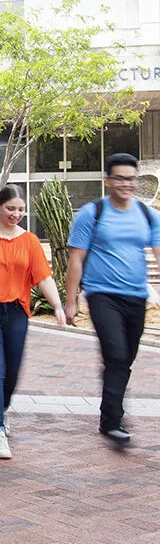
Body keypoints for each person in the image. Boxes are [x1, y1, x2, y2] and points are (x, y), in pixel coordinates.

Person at [0, 184, 65, 460]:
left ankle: (1, 409)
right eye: (10, 208)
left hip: (17, 311)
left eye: (20, 209)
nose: (16, 214)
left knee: (13, 371)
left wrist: (57, 307)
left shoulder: (29, 241)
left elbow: (43, 277)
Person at [65, 152, 160, 447]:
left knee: (124, 360)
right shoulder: (92, 213)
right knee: (117, 355)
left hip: (136, 297)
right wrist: (71, 301)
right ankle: (113, 421)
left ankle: (109, 417)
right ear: (108, 180)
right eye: (119, 178)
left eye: (131, 179)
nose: (126, 184)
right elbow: (76, 260)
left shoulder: (148, 215)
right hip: (102, 296)